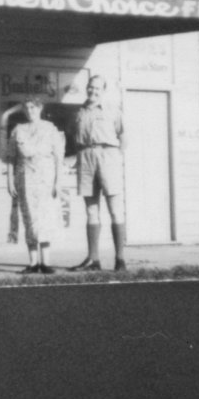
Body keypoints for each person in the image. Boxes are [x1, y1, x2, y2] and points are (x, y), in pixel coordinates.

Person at [69, 74, 127, 271]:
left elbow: (123, 136)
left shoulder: (113, 110)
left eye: (98, 88)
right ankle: (93, 259)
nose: (93, 91)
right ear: (87, 87)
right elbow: (73, 137)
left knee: (115, 209)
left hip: (107, 156)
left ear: (103, 91)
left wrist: (116, 158)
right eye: (91, 87)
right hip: (85, 157)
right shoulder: (79, 112)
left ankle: (120, 259)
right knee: (91, 210)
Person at [5, 97, 65, 274]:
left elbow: (58, 157)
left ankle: (45, 262)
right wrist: (10, 181)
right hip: (25, 178)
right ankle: (33, 263)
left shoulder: (50, 129)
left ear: (40, 108)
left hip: (46, 178)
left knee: (45, 218)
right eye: (27, 108)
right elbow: (11, 158)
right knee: (29, 218)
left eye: (33, 107)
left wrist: (58, 181)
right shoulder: (18, 130)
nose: (30, 111)